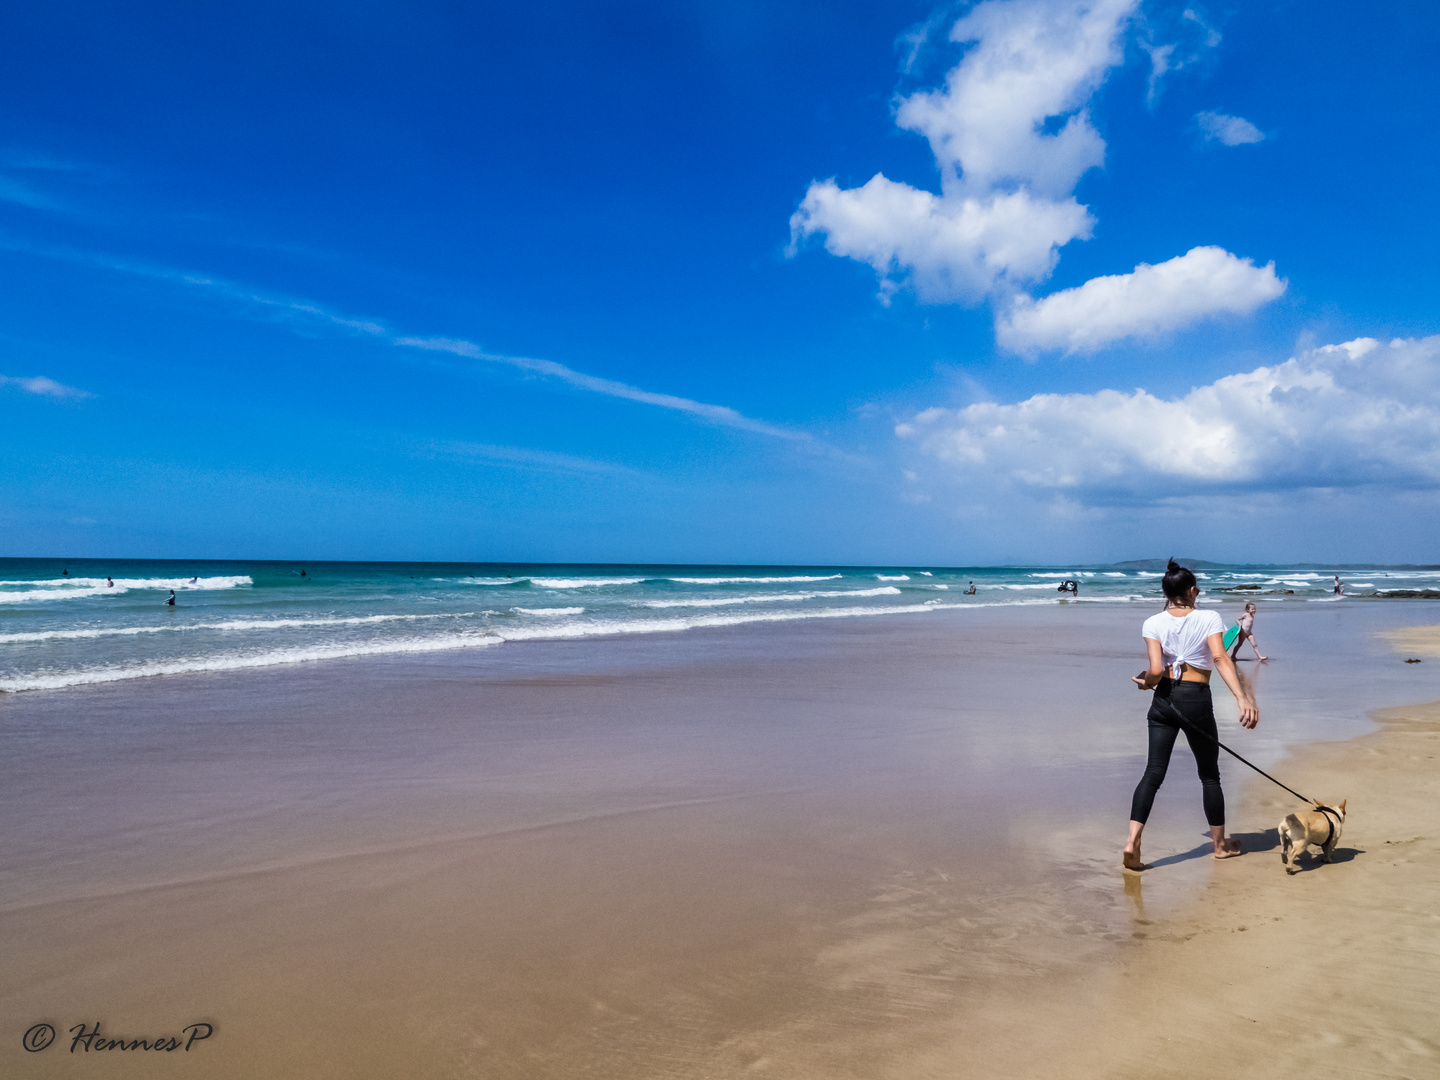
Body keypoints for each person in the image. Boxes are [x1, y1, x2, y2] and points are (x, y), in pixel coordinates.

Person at [1123, 559, 1258, 871]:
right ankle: (1220, 847)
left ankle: (1132, 841)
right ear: (1192, 590)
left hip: (1163, 701)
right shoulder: (1208, 617)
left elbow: (1156, 670)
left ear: (1167, 592)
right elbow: (1220, 657)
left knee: (1152, 773)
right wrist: (1241, 697)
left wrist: (1147, 683)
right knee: (1209, 775)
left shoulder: (1152, 622)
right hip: (1195, 700)